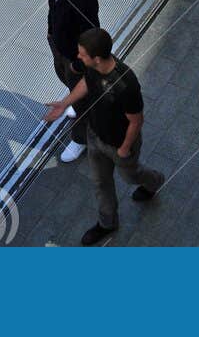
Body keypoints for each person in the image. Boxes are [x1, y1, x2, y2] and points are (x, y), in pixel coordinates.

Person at [44, 26, 165, 245]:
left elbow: (136, 121)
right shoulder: (93, 68)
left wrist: (125, 149)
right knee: (101, 183)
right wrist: (64, 104)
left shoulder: (126, 85)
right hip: (95, 136)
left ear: (97, 58)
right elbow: (86, 84)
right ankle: (107, 222)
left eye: (82, 54)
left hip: (120, 144)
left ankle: (154, 181)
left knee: (131, 176)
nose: (78, 57)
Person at [41, 0, 100, 164]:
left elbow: (92, 27)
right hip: (59, 47)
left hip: (76, 55)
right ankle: (77, 104)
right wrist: (50, 31)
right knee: (66, 79)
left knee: (80, 93)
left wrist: (79, 63)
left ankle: (80, 137)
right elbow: (52, 6)